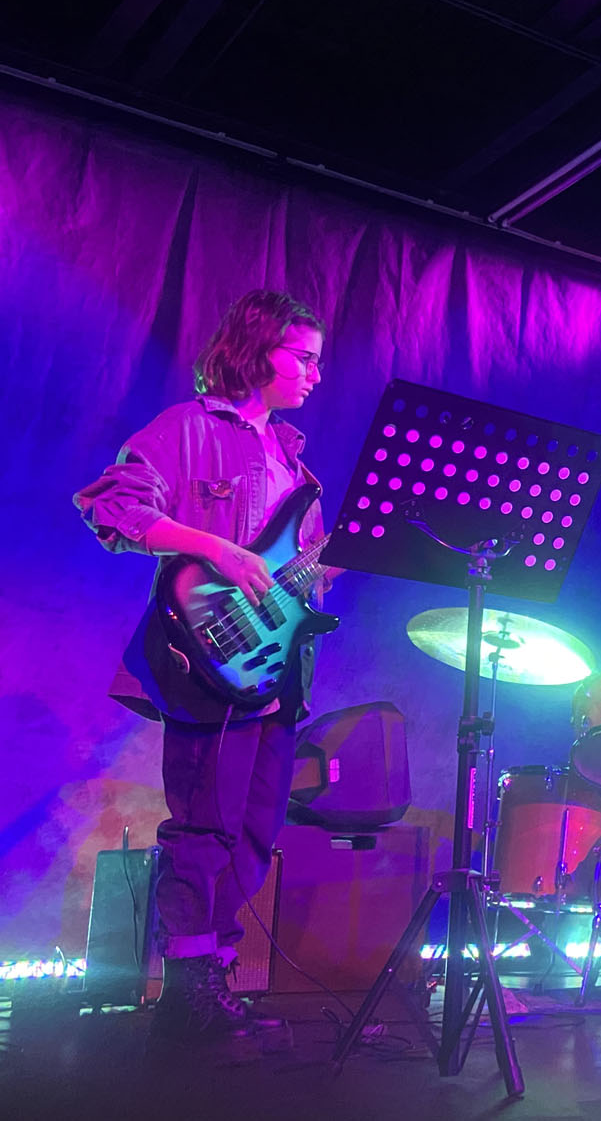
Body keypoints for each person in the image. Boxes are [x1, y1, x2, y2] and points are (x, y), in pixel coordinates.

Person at [75, 290, 330, 1044]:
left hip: (273, 666)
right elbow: (112, 508)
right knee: (204, 823)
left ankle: (216, 972)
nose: (315, 373)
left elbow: (299, 569)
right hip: (206, 659)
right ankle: (186, 989)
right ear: (257, 349)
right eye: (304, 357)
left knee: (256, 826)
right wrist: (215, 548)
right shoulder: (187, 431)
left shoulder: (293, 456)